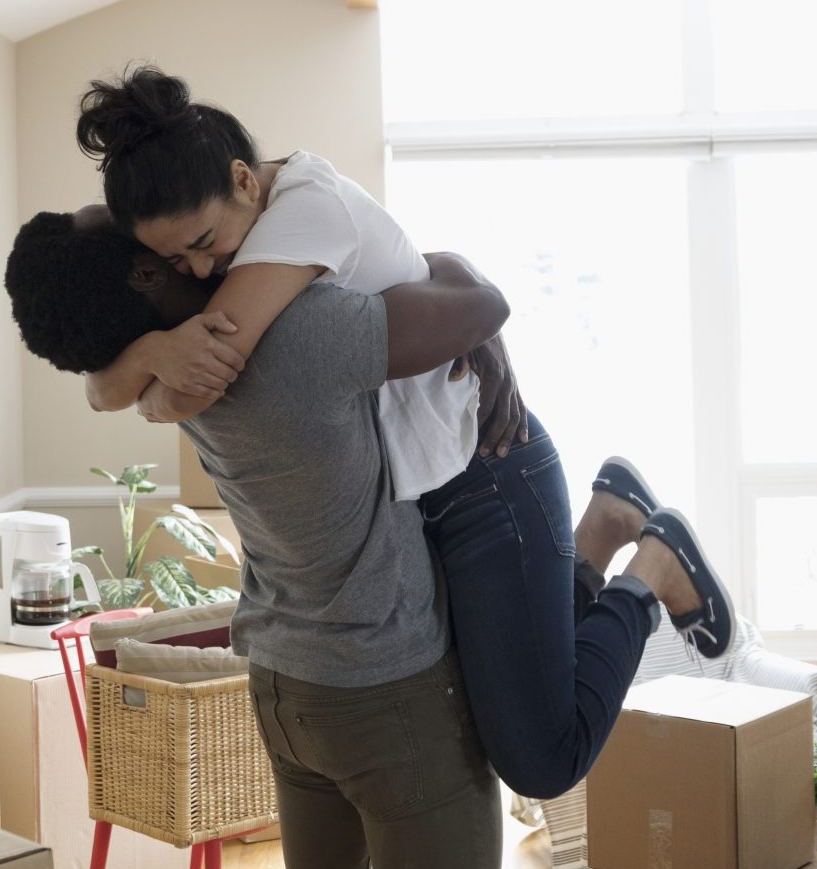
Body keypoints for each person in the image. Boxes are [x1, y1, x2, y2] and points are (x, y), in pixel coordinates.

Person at [66, 66, 737, 796]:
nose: (200, 269)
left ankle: (653, 569)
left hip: (487, 476)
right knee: (505, 709)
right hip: (428, 485)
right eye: (174, 262)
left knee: (542, 759)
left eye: (203, 242)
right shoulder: (264, 223)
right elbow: (116, 384)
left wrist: (151, 364)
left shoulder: (300, 216)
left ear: (243, 181)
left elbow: (193, 384)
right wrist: (148, 354)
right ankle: (604, 526)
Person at [4, 207, 739, 867]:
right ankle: (626, 549)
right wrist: (482, 331)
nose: (143, 216)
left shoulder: (162, 381)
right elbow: (477, 302)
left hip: (338, 627)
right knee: (542, 735)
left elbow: (99, 381)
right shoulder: (287, 335)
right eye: (121, 219)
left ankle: (627, 547)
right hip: (371, 666)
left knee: (539, 734)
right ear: (144, 271)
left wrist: (138, 360)